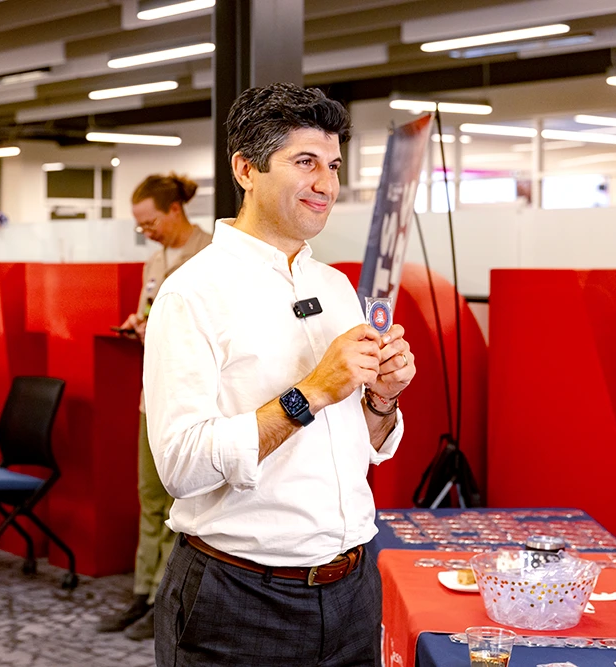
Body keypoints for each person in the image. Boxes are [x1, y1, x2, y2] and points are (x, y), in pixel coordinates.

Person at [144, 83, 416, 665]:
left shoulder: (336, 286)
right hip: (239, 600)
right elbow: (181, 466)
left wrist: (381, 402)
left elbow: (352, 448)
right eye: (305, 162)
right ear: (246, 169)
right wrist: (313, 391)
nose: (326, 184)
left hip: (353, 589)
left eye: (334, 165)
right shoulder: (192, 294)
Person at [96, 173, 212, 641]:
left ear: (174, 211)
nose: (147, 231)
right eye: (139, 226)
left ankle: (168, 597)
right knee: (149, 499)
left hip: (194, 402)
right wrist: (140, 324)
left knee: (178, 504)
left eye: (150, 222)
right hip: (153, 397)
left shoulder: (210, 256)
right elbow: (153, 316)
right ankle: (143, 592)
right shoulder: (154, 262)